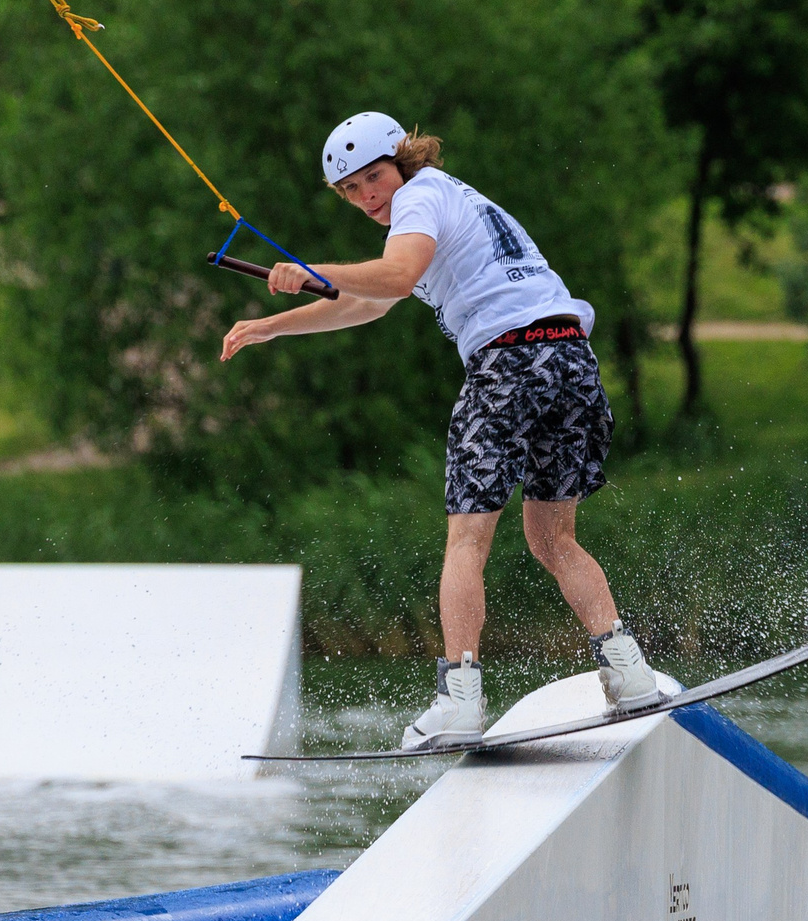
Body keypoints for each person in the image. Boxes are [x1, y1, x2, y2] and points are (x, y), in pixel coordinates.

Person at [219, 111, 660, 749]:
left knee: (468, 539)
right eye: (352, 191)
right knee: (552, 538)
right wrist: (270, 325)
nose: (368, 197)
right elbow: (373, 302)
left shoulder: (421, 195)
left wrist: (315, 269)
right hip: (571, 360)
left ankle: (459, 700)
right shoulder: (452, 202)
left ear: (403, 161)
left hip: (509, 363)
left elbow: (392, 278)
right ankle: (631, 674)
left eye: (374, 178)